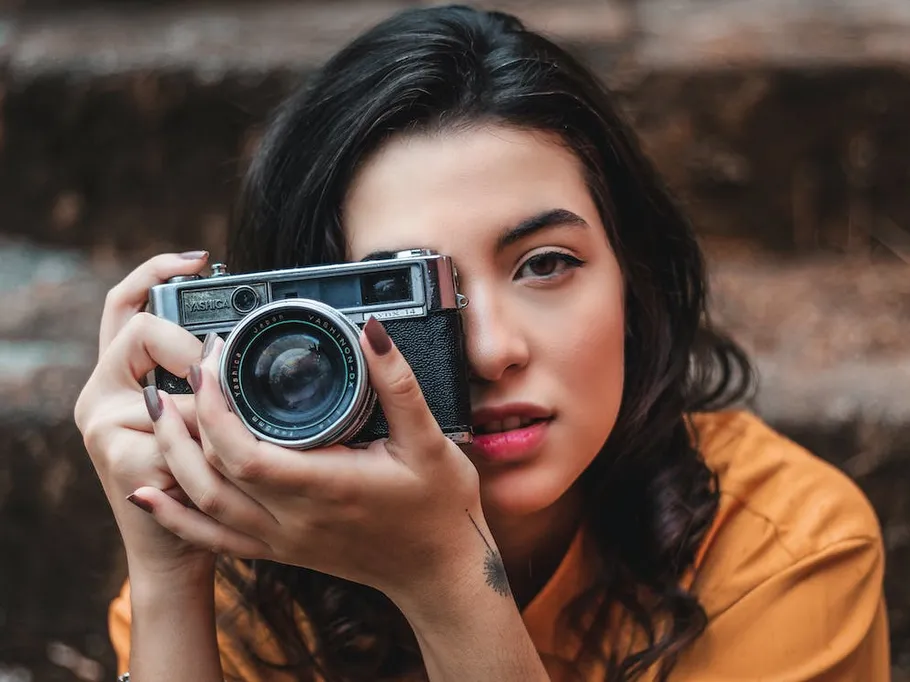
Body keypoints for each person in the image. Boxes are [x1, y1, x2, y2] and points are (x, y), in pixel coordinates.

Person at [73, 5, 889, 682]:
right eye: (403, 290)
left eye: (545, 265)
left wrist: (447, 582)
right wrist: (171, 577)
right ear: (301, 327)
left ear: (633, 282)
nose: (493, 350)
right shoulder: (244, 560)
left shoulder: (787, 554)